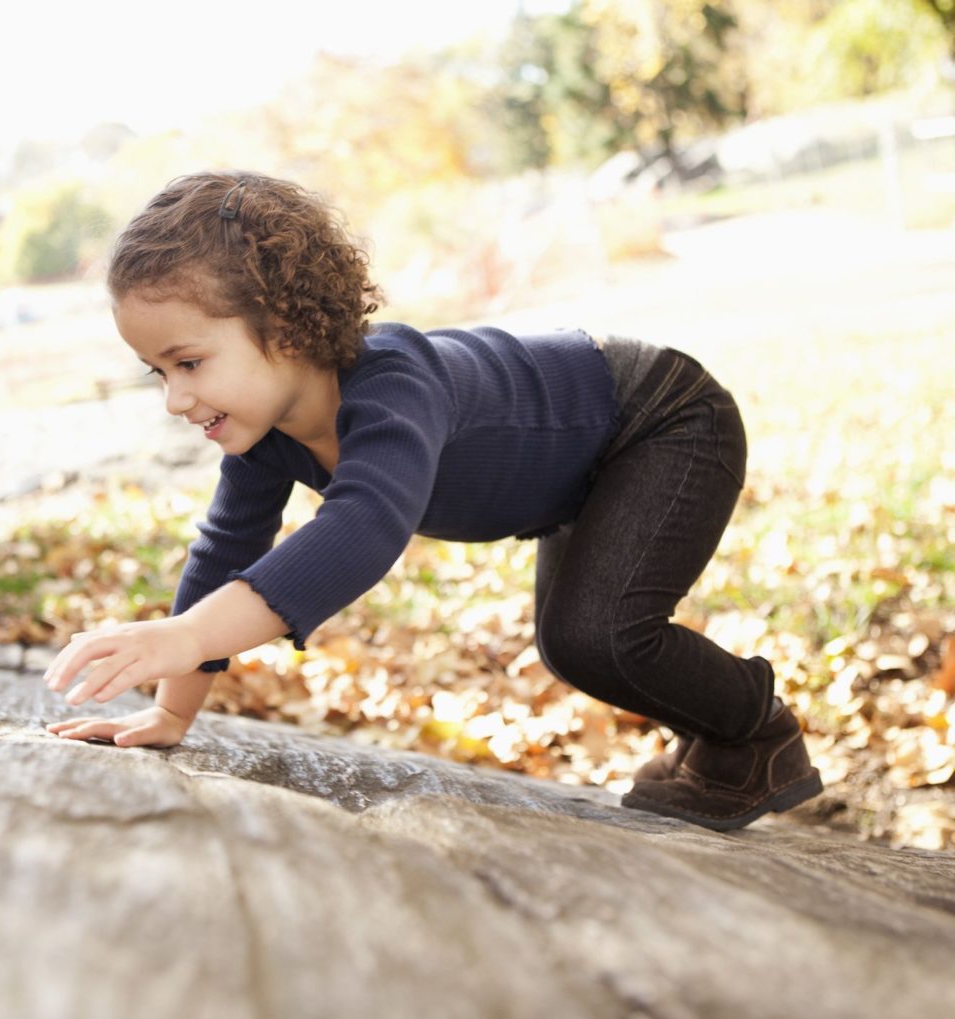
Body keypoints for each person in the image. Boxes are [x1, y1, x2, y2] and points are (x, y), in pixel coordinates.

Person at [44, 170, 823, 831]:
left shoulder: (394, 384)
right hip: (579, 468)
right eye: (158, 371)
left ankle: (754, 732)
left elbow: (363, 527)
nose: (176, 398)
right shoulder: (264, 432)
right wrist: (173, 711)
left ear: (283, 328)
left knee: (597, 635)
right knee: (573, 638)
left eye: (188, 361)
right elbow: (226, 549)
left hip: (659, 419)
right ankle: (717, 733)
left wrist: (186, 635)